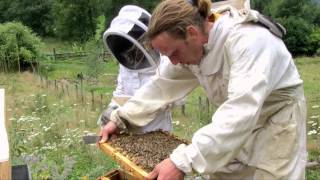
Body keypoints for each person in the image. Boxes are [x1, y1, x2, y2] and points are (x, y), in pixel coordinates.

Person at [100, 0, 307, 179]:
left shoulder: (249, 42)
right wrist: (121, 119)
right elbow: (160, 86)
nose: (173, 61)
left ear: (191, 32)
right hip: (234, 128)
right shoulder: (192, 45)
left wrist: (182, 162)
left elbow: (241, 111)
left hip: (277, 126)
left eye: (174, 52)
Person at [98, 5, 174, 133]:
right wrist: (112, 110)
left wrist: (119, 118)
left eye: (134, 49)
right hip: (127, 129)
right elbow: (121, 91)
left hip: (156, 130)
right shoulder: (127, 62)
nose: (132, 54)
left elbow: (171, 99)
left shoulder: (166, 61)